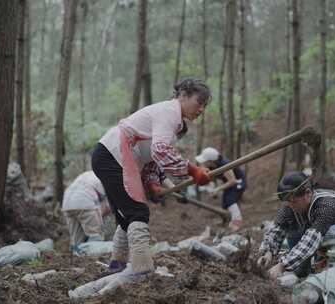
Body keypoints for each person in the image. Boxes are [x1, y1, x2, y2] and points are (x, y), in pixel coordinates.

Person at [91, 78, 212, 280]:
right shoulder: (169, 112)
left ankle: (117, 265)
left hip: (112, 155)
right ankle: (142, 270)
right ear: (183, 96)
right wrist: (192, 170)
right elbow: (160, 150)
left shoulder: (171, 120)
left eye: (204, 106)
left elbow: (151, 160)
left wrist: (153, 183)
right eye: (199, 103)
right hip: (113, 154)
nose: (201, 110)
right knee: (138, 212)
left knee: (127, 216)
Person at [257, 172, 335, 279]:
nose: (290, 205)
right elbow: (277, 229)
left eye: (294, 201)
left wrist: (282, 265)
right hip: (319, 228)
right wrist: (268, 253)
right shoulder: (290, 205)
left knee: (330, 234)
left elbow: (312, 239)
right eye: (288, 201)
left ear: (308, 193)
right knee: (298, 267)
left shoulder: (326, 206)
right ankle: (306, 267)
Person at [195, 147, 246, 232]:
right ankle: (226, 221)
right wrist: (212, 187)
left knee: (230, 200)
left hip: (238, 182)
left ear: (211, 161)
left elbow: (232, 181)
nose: (203, 163)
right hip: (229, 183)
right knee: (224, 203)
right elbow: (216, 178)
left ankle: (237, 222)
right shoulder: (212, 166)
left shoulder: (224, 165)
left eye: (205, 161)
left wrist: (218, 189)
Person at [62, 171, 111, 254]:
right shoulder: (104, 176)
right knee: (95, 235)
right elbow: (107, 206)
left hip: (67, 203)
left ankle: (76, 258)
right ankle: (94, 260)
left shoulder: (88, 174)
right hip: (85, 201)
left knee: (77, 240)